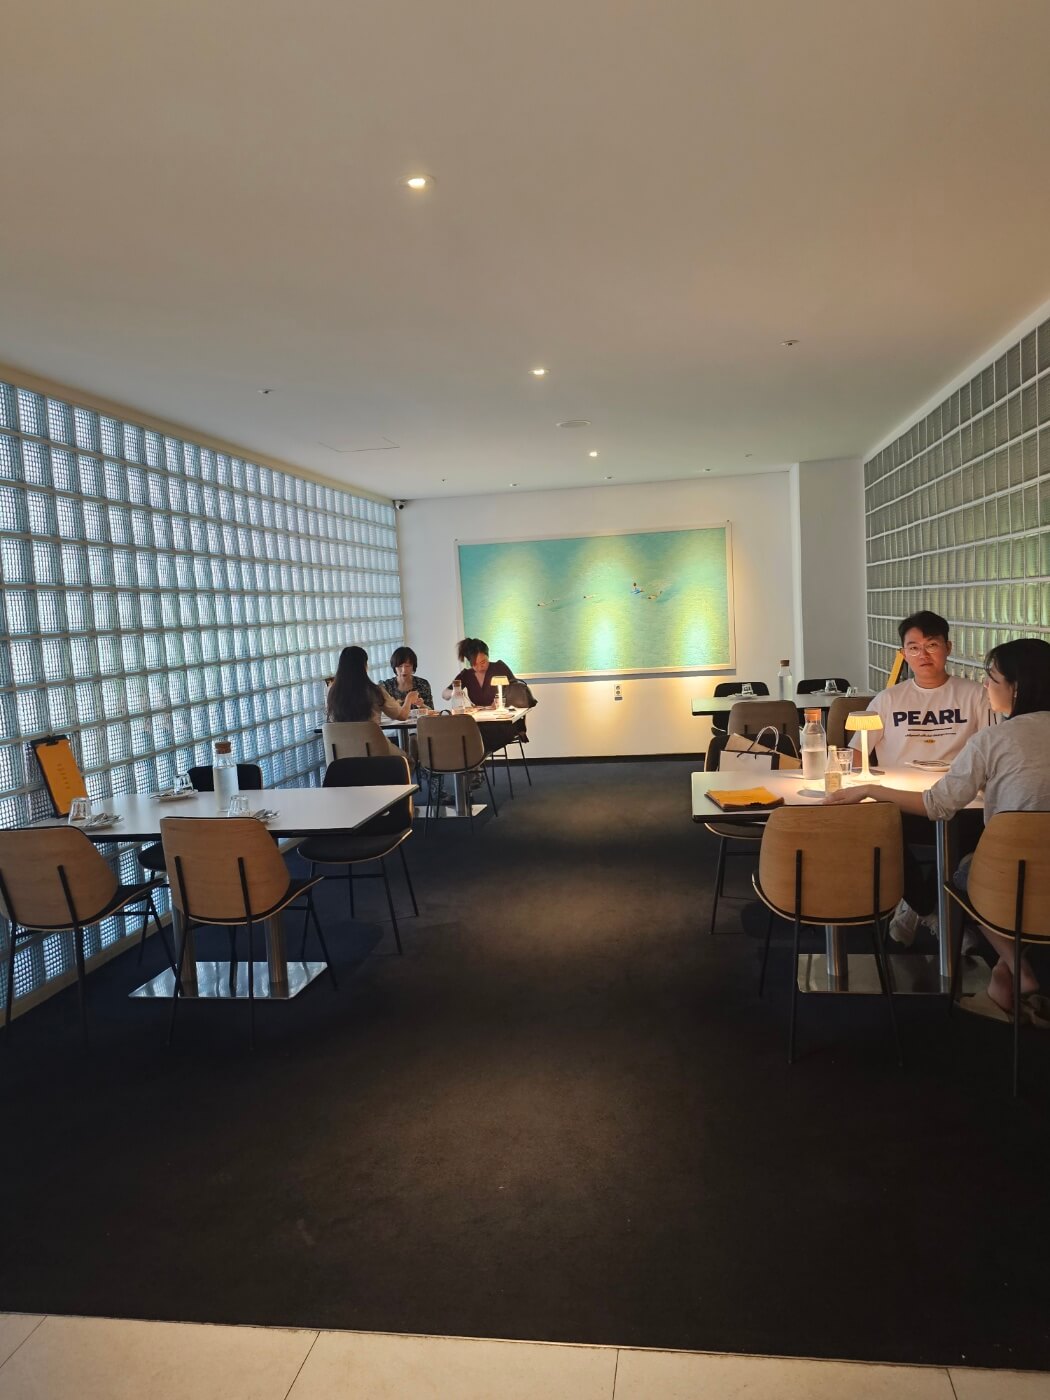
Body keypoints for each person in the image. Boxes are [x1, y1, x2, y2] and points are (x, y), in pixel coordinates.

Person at [827, 638, 1050, 1013]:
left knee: (963, 874)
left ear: (1017, 688)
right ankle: (1002, 974)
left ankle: (1016, 967)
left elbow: (937, 805)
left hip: (1012, 876)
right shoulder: (896, 700)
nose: (985, 685)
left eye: (992, 678)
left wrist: (869, 789)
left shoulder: (992, 740)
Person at [850, 609, 994, 944]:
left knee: (983, 832)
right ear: (903, 654)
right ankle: (930, 910)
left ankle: (918, 906)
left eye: (931, 645)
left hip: (961, 801)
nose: (923, 654)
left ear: (948, 647)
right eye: (913, 647)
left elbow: (991, 749)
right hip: (901, 802)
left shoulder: (976, 695)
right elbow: (856, 753)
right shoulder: (888, 699)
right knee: (876, 832)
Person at [327, 645, 417, 759]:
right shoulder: (375, 691)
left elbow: (330, 719)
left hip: (342, 754)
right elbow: (402, 716)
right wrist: (409, 699)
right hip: (372, 751)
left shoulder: (332, 692)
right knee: (407, 760)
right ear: (364, 666)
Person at [380, 646, 434, 712]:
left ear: (413, 666)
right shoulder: (386, 686)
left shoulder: (422, 684)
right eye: (400, 666)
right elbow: (381, 713)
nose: (404, 670)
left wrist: (422, 705)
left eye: (407, 666)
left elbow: (432, 712)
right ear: (394, 667)